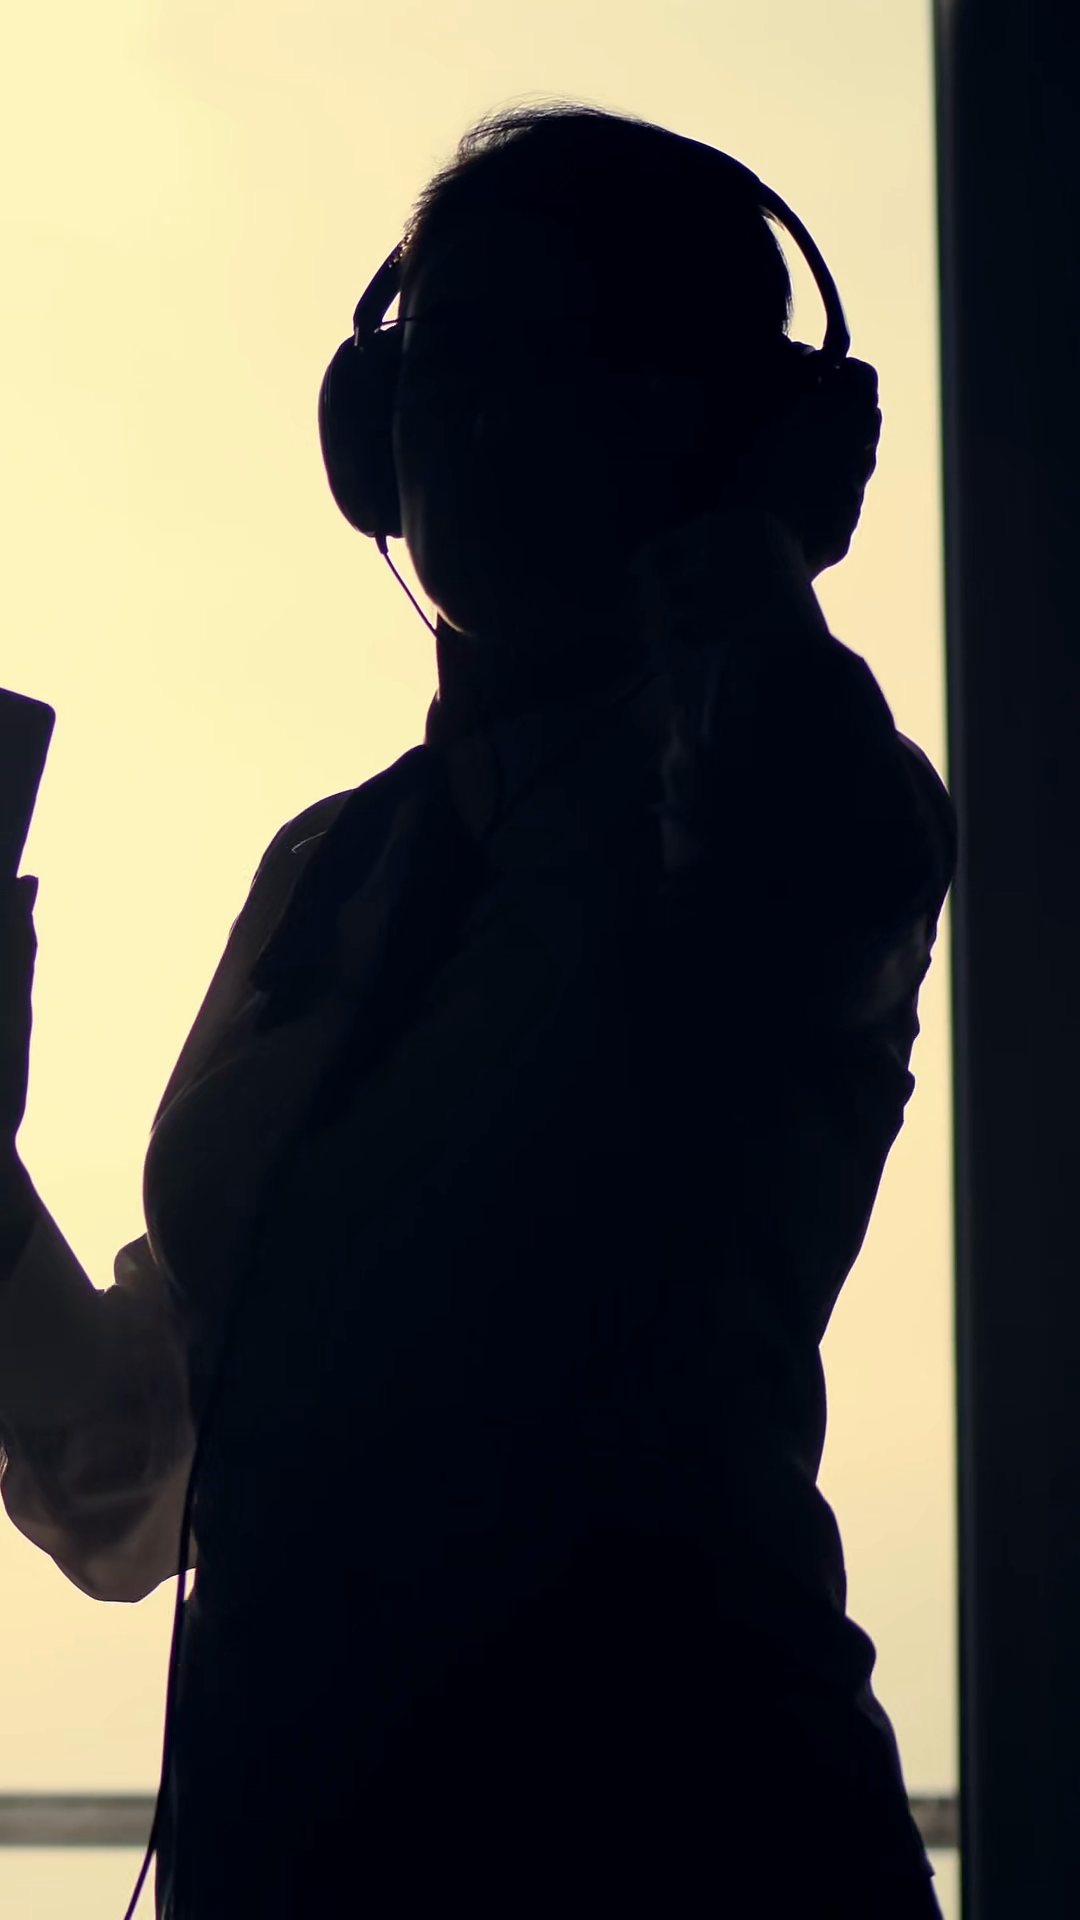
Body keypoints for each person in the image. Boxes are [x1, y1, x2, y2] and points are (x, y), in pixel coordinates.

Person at [0, 104, 955, 1917]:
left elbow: (807, 858)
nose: (490, 418)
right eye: (452, 356)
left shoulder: (795, 801)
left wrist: (758, 560)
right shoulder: (330, 866)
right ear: (372, 421)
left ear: (729, 438)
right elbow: (137, 1479)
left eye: (574, 362)